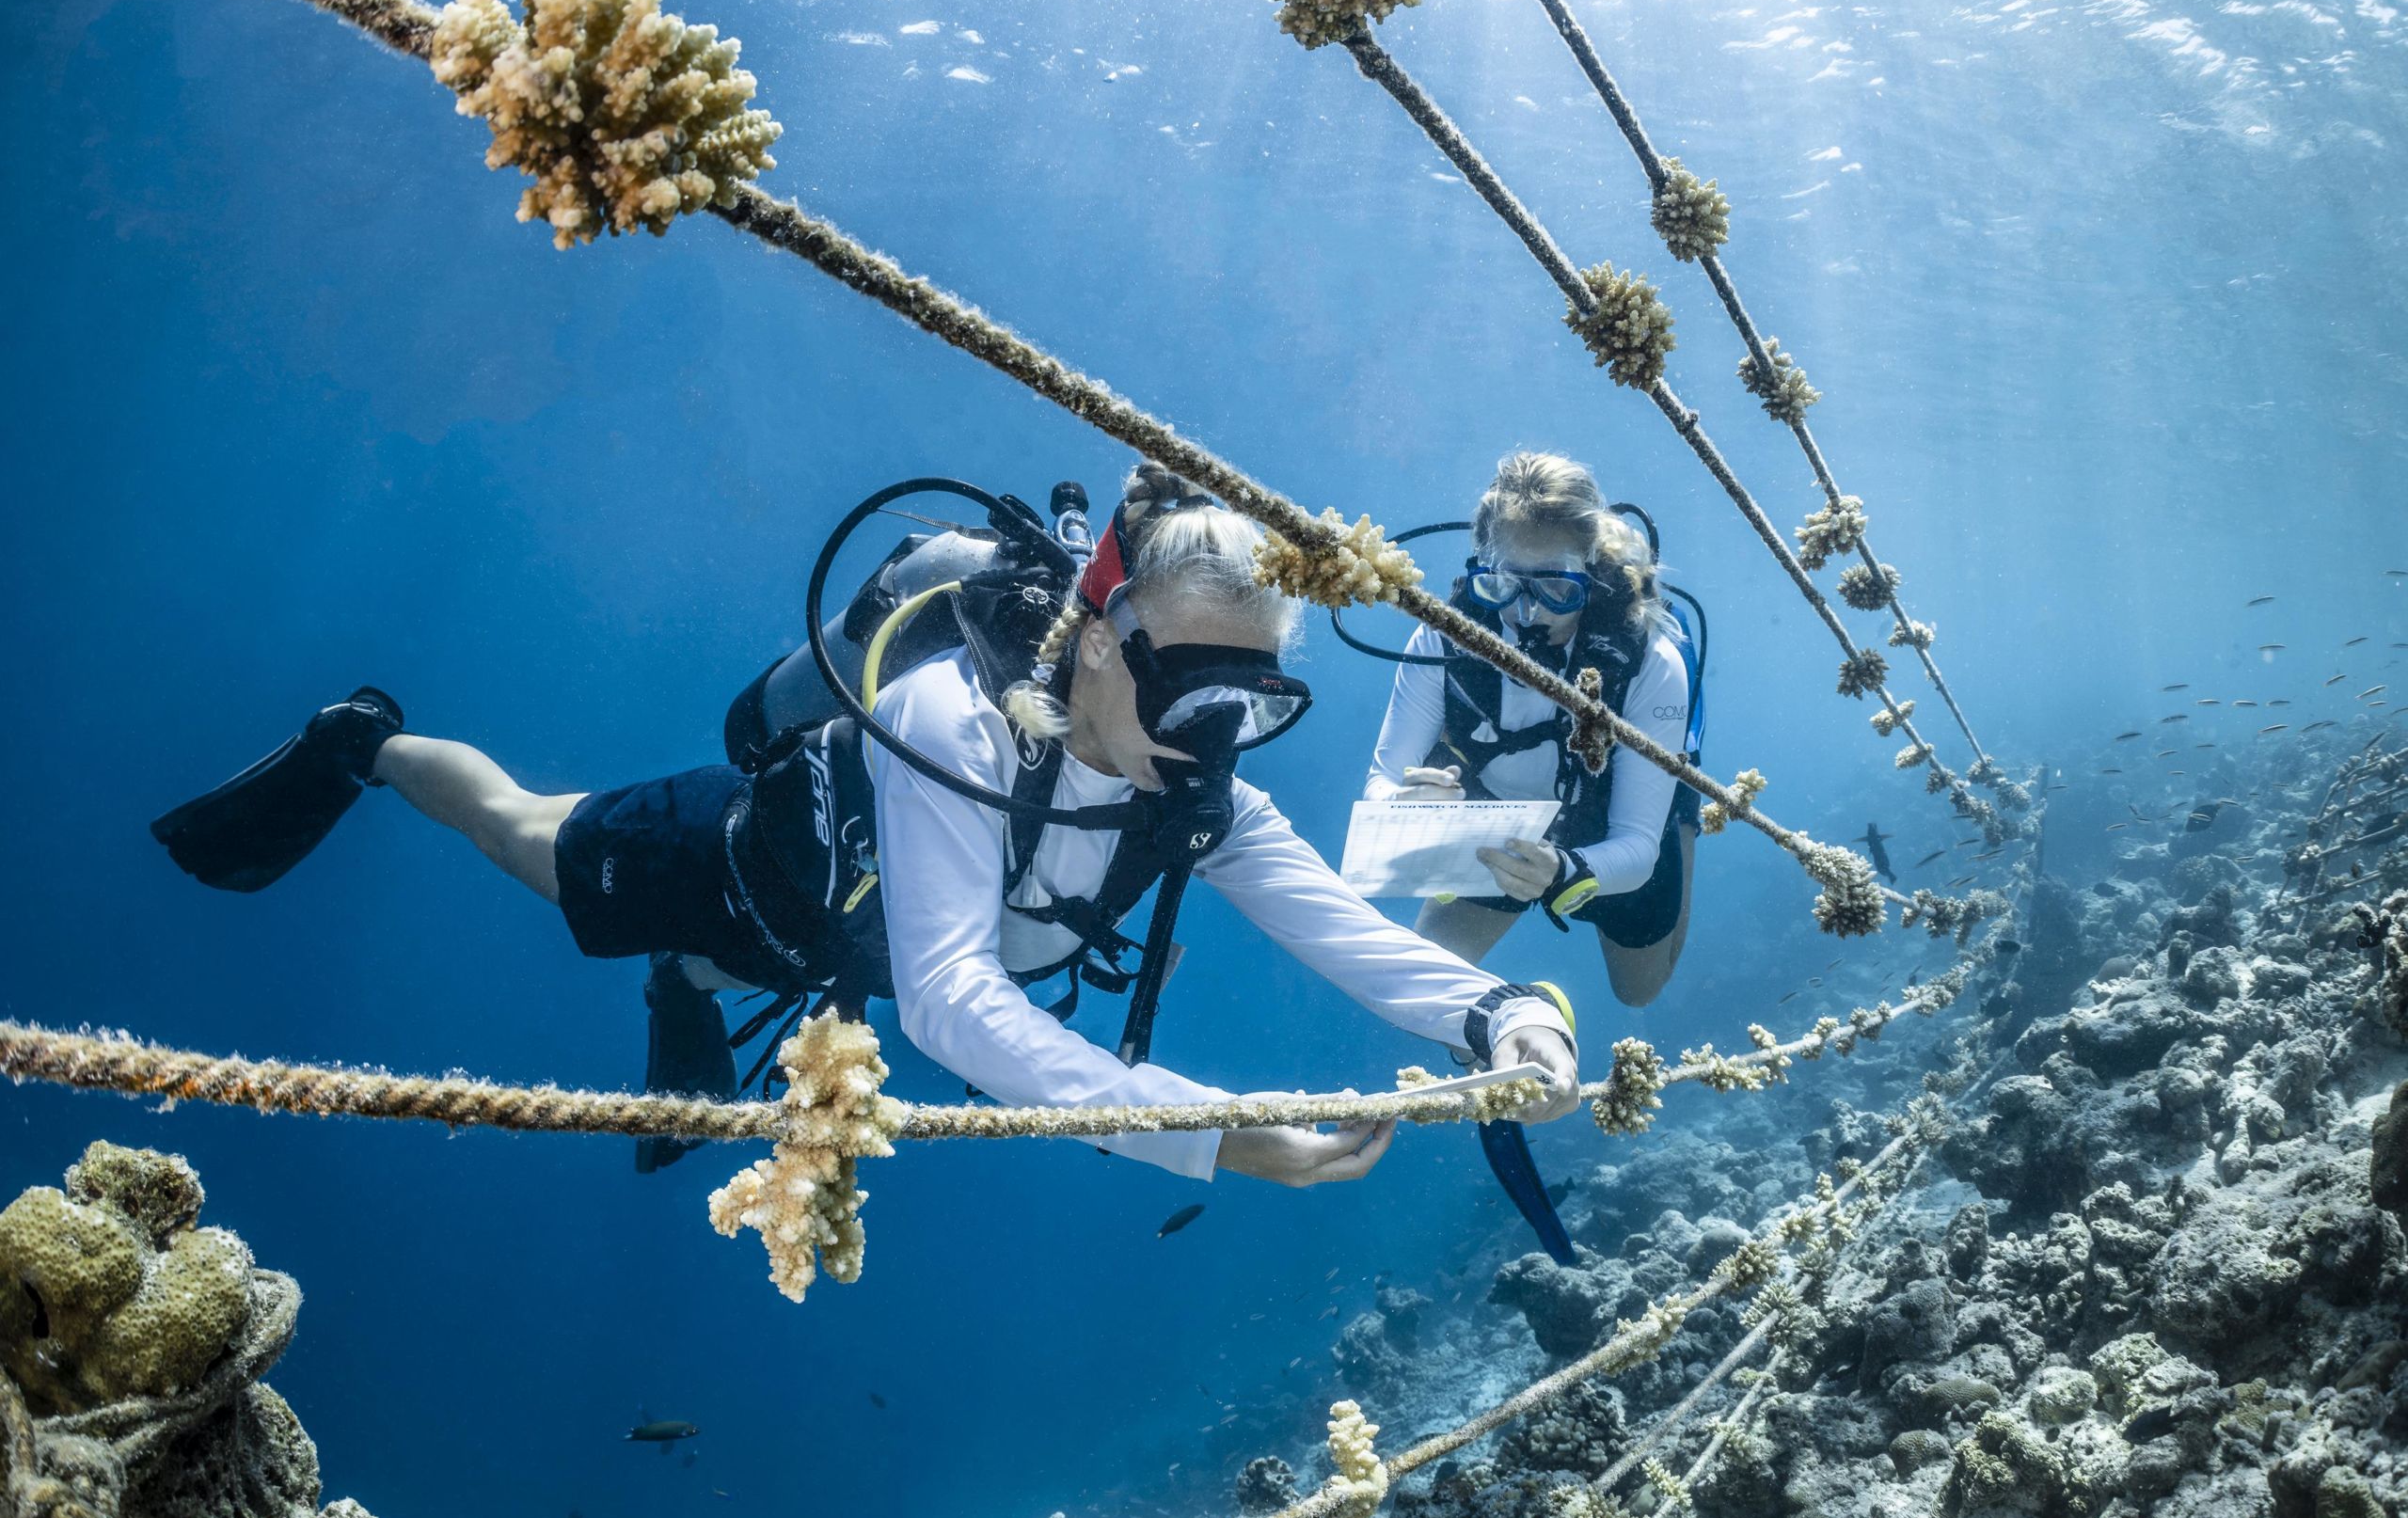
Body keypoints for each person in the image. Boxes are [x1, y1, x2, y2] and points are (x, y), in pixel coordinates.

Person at [151, 464, 1582, 1194]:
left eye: (1253, 698)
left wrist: (1504, 1012)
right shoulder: (961, 716)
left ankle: (690, 991)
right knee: (521, 834)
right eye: (1186, 685)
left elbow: (1344, 930)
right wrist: (1219, 1138)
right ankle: (368, 742)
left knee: (778, 974)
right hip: (740, 867)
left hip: (861, 943)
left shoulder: (1199, 797)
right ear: (1094, 639)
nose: (1212, 737)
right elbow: (956, 1000)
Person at [1365, 451, 1701, 1004]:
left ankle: (1681, 803)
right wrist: (1406, 801)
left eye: (1558, 591)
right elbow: (1381, 779)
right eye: (1503, 586)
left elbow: (1637, 846)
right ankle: (1520, 1019)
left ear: (1591, 575)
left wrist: (1566, 868)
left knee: (1639, 992)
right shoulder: (1441, 637)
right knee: (1415, 989)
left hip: (1605, 823)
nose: (1528, 614)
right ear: (1482, 569)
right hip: (1496, 828)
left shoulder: (1651, 661)